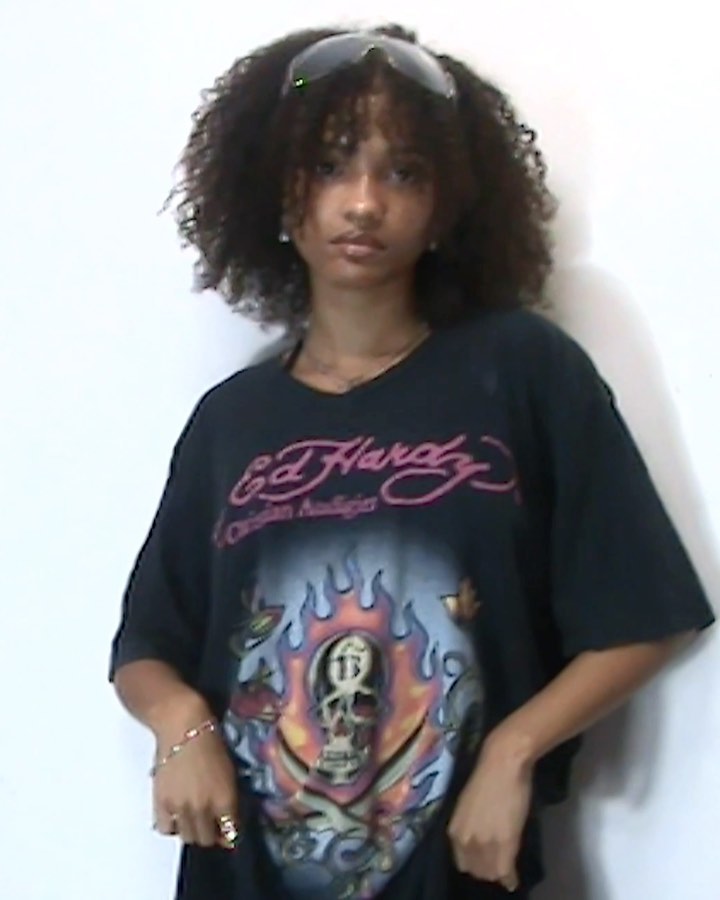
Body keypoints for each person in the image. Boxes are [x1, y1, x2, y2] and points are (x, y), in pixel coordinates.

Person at [109, 23, 715, 900]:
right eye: (329, 166)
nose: (362, 203)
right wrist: (179, 725)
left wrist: (513, 750)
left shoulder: (521, 371)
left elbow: (645, 611)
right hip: (240, 874)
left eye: (403, 173)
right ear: (276, 189)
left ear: (447, 205)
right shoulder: (231, 421)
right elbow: (148, 642)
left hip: (457, 877)